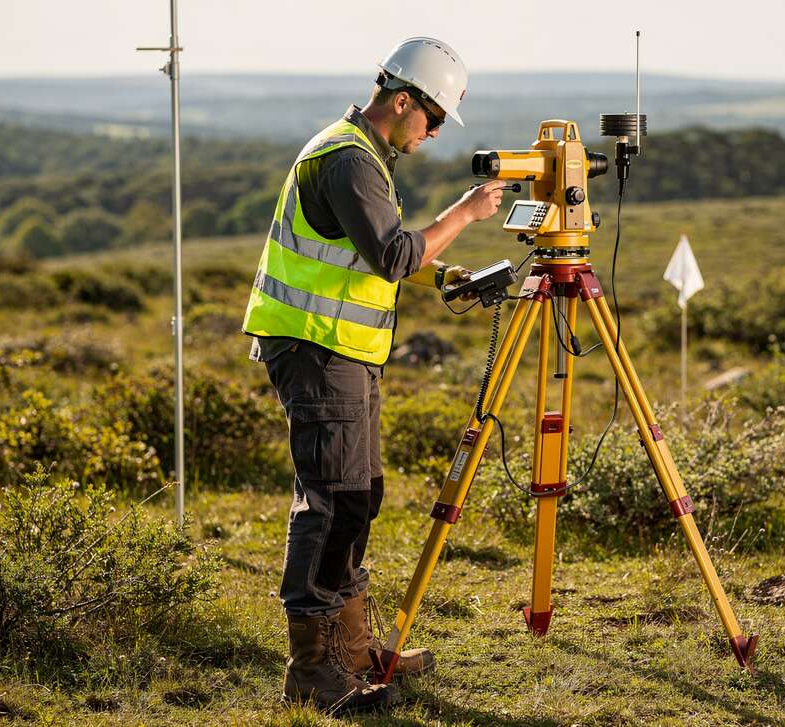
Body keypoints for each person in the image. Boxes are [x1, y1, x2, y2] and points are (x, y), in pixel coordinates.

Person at [241, 36, 505, 714]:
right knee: (330, 501)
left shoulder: (364, 157)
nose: (437, 131)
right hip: (316, 349)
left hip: (344, 351)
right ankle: (313, 669)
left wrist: (439, 266)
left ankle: (354, 650)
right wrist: (464, 216)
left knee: (360, 495)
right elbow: (390, 254)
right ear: (401, 101)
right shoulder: (349, 160)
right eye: (435, 117)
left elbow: (367, 253)